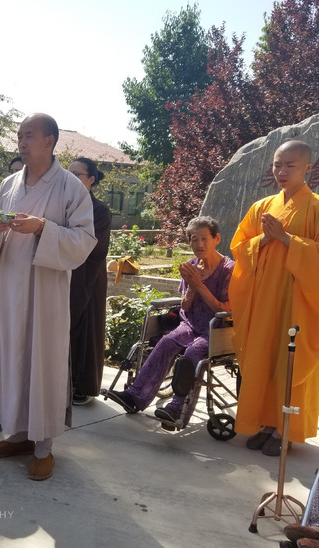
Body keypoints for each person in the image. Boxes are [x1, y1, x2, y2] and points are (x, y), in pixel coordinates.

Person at [0, 113, 96, 481]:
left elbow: (83, 241)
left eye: (29, 135)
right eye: (19, 135)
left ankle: (43, 447)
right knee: (10, 356)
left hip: (45, 293)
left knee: (42, 361)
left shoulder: (70, 188)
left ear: (50, 141)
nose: (22, 142)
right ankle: (16, 435)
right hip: (9, 287)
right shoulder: (9, 184)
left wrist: (43, 228)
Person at [230, 139, 319, 456]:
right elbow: (240, 249)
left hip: (298, 302)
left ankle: (286, 429)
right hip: (263, 300)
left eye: (290, 166)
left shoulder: (315, 207)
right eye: (277, 165)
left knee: (289, 364)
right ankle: (266, 423)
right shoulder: (262, 207)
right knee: (263, 361)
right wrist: (264, 240)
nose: (281, 171)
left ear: (307, 168)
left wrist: (287, 238)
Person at [106, 216, 234, 429]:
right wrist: (192, 286)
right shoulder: (191, 266)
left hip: (216, 329)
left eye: (204, 238)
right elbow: (185, 306)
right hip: (190, 324)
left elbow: (224, 309)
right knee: (166, 342)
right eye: (194, 239)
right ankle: (135, 396)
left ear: (217, 238)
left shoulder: (228, 269)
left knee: (193, 353)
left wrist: (199, 285)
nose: (199, 244)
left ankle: (176, 409)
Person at [68, 158, 112, 405]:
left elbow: (93, 247)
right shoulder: (63, 205)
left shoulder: (100, 211)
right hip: (63, 272)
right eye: (69, 174)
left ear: (91, 180)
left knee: (85, 330)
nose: (71, 179)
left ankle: (82, 385)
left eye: (78, 175)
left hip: (88, 277)